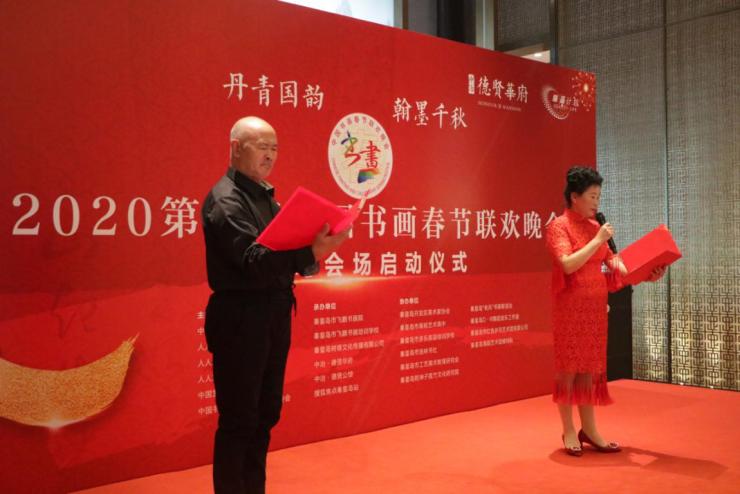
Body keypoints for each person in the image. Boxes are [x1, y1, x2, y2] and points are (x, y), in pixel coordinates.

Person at [201, 116, 350, 493]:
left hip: (273, 313)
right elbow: (253, 261)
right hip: (240, 320)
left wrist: (313, 253)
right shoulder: (225, 200)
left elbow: (286, 253)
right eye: (262, 147)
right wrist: (309, 253)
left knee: (265, 414)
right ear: (236, 148)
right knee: (239, 420)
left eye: (274, 149)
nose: (270, 156)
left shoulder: (268, 198)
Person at [544, 166, 665, 456]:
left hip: (595, 309)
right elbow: (568, 264)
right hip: (570, 309)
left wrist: (647, 273)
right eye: (592, 196)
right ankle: (569, 429)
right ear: (575, 197)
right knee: (569, 368)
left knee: (589, 368)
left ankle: (590, 429)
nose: (596, 202)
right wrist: (597, 240)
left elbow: (616, 265)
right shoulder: (558, 226)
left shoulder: (594, 226)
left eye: (599, 196)